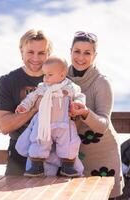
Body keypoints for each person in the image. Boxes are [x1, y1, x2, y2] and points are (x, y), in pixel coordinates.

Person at [67, 31, 124, 198]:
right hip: (72, 155)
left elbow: (103, 124)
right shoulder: (60, 77)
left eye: (87, 53)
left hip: (102, 154)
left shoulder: (102, 82)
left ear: (95, 55)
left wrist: (85, 112)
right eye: (77, 51)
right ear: (70, 51)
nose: (81, 57)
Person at [15, 56, 86, 177]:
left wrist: (79, 104)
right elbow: (32, 97)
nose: (45, 78)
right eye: (44, 74)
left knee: (69, 141)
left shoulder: (70, 87)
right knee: (39, 140)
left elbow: (79, 95)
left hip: (64, 123)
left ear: (62, 75)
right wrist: (24, 106)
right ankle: (36, 166)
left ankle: (67, 166)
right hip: (44, 124)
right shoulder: (43, 87)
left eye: (49, 74)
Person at [0, 29, 52, 175]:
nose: (35, 58)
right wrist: (34, 109)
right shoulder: (7, 81)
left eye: (41, 53)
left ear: (49, 54)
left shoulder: (60, 81)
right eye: (30, 52)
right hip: (18, 153)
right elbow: (4, 126)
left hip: (53, 152)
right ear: (21, 51)